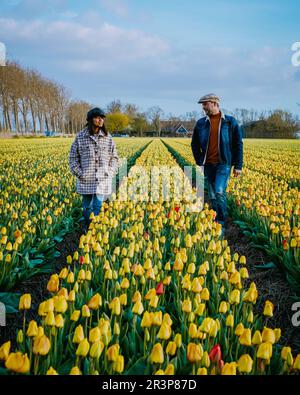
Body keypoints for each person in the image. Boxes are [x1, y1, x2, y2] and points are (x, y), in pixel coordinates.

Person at [191, 94, 243, 235]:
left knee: (219, 190)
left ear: (214, 103)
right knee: (213, 194)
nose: (203, 107)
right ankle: (214, 217)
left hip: (224, 163)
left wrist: (238, 165)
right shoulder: (201, 123)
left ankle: (221, 221)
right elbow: (194, 144)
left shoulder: (230, 122)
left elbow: (238, 144)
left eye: (205, 104)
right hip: (208, 164)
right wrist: (199, 161)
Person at [69, 107, 119, 231]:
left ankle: (94, 229)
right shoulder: (80, 137)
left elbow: (115, 157)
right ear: (90, 120)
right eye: (97, 117)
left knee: (98, 205)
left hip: (103, 178)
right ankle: (87, 225)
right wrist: (80, 174)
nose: (100, 120)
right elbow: (73, 158)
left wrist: (110, 172)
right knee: (86, 207)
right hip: (86, 179)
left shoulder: (108, 137)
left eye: (102, 118)